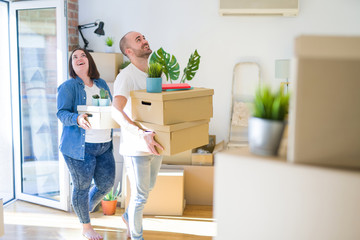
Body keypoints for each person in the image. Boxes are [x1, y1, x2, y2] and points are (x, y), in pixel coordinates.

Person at [57, 47, 116, 240]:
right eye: (75, 57)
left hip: (105, 144)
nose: (79, 58)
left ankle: (85, 206)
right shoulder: (68, 87)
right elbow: (61, 113)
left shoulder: (101, 84)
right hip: (79, 149)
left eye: (83, 55)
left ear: (89, 60)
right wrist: (77, 119)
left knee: (106, 185)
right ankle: (86, 227)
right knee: (81, 187)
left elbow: (110, 109)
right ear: (72, 65)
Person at [111, 31, 164, 240]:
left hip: (156, 141)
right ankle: (137, 237)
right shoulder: (126, 76)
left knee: (148, 188)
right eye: (138, 40)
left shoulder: (154, 73)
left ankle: (127, 216)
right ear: (129, 51)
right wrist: (141, 134)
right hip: (137, 145)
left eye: (144, 37)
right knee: (140, 196)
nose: (145, 41)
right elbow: (116, 110)